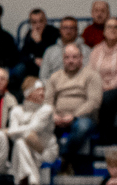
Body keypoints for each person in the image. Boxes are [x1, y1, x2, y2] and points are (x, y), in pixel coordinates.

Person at [44, 42, 103, 174]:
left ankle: (64, 158)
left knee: (82, 126)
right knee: (41, 124)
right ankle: (47, 165)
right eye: (67, 57)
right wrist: (54, 115)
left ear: (81, 58)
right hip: (58, 117)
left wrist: (74, 116)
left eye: (74, 57)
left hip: (83, 117)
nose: (70, 61)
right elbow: (48, 101)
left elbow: (94, 102)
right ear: (63, 59)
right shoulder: (55, 77)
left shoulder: (92, 75)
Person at [6, 79, 56, 185]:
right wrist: (14, 133)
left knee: (22, 141)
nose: (42, 93)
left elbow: (33, 129)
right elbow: (14, 137)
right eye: (38, 90)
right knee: (19, 143)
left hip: (44, 151)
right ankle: (33, 179)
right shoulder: (16, 110)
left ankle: (25, 184)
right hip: (26, 153)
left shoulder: (47, 109)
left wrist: (10, 131)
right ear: (28, 93)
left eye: (43, 90)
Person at [39, 16, 90, 82]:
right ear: (60, 30)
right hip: (55, 86)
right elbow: (43, 76)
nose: (68, 31)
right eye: (65, 28)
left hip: (79, 85)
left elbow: (89, 74)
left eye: (72, 28)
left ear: (76, 30)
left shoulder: (86, 50)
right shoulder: (50, 51)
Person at [18, 9, 60, 79]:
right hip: (33, 65)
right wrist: (34, 59)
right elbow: (23, 55)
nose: (38, 25)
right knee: (19, 68)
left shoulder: (54, 32)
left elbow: (53, 53)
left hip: (50, 65)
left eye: (41, 21)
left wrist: (39, 42)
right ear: (31, 23)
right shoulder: (29, 34)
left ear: (45, 21)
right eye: (34, 22)